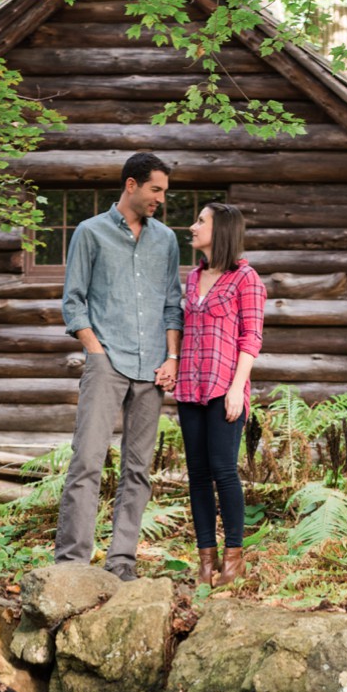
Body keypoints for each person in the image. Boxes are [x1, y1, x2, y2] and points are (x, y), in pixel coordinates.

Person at [56, 153, 184, 582]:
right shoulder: (90, 234)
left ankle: (122, 563)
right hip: (106, 360)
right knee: (88, 460)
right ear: (131, 185)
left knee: (138, 469)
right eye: (155, 190)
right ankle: (72, 563)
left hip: (153, 368)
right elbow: (73, 301)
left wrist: (171, 357)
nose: (161, 200)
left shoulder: (165, 239)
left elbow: (171, 303)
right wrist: (95, 351)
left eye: (164, 192)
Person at [175, 202, 266, 586]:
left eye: (201, 221)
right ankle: (206, 561)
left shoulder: (247, 279)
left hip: (223, 389)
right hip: (189, 389)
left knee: (225, 473)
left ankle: (233, 561)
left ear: (222, 230)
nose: (192, 226)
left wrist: (235, 390)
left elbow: (252, 339)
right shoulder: (193, 278)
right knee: (197, 476)